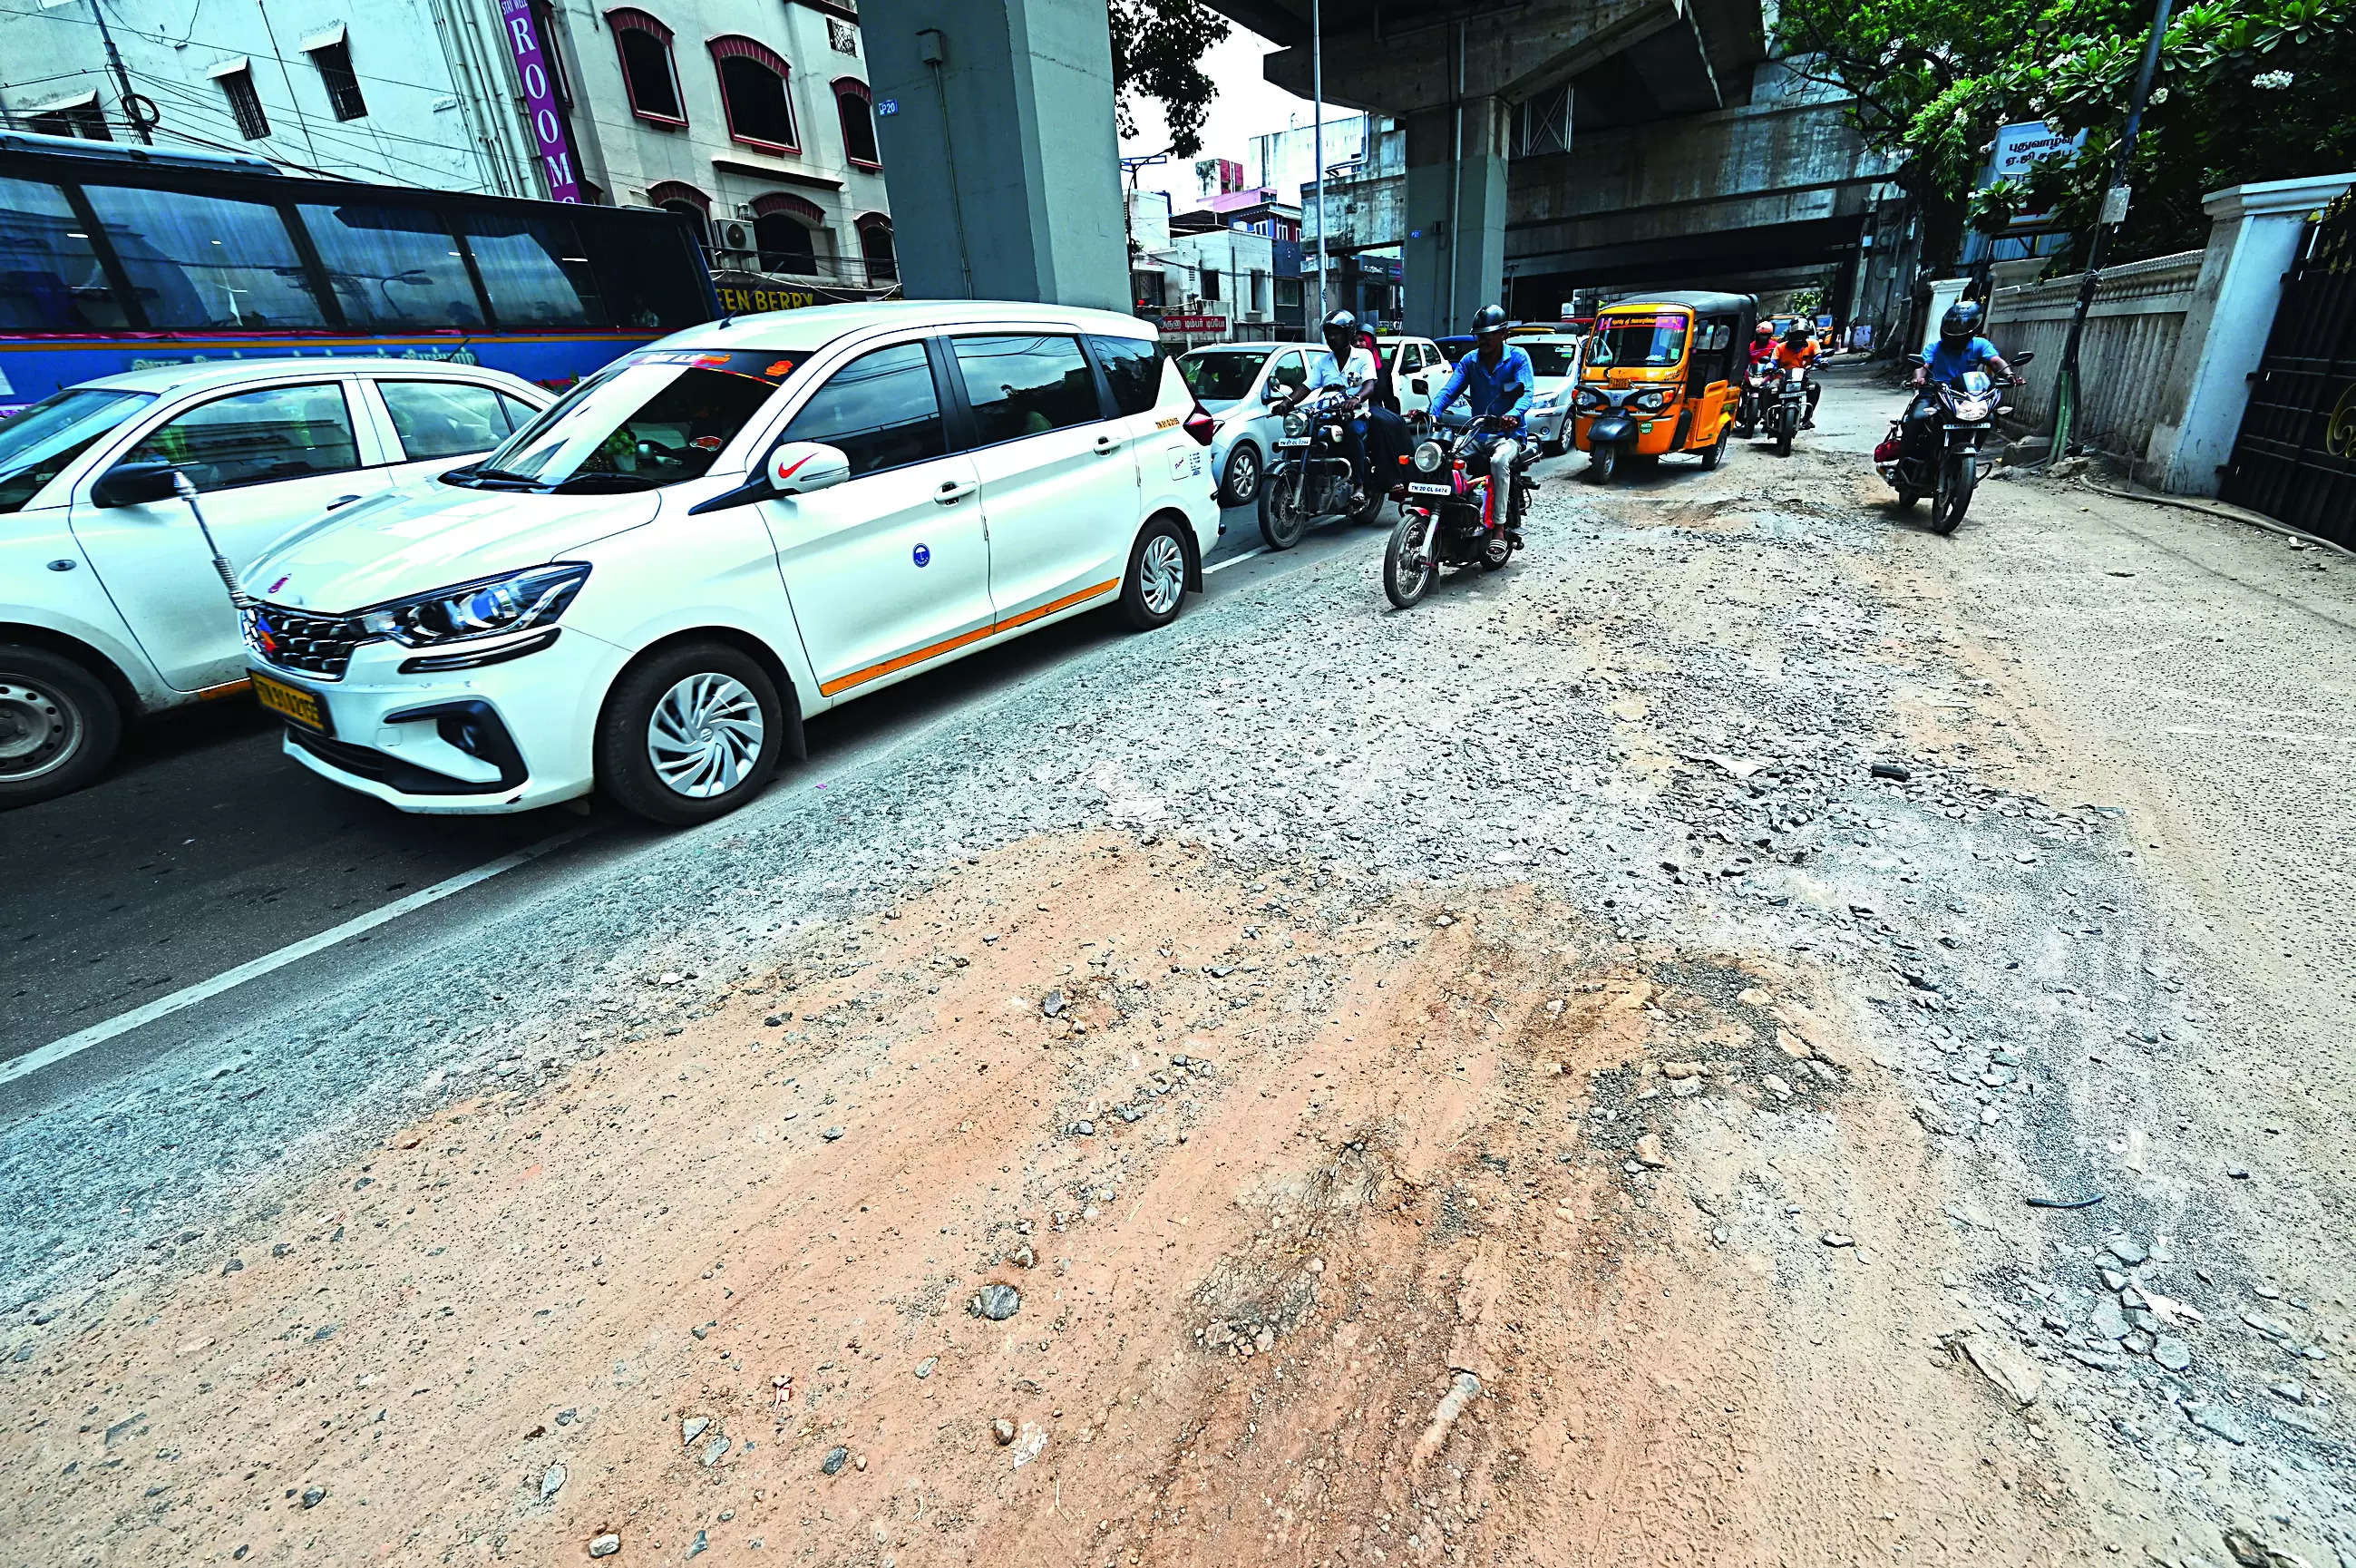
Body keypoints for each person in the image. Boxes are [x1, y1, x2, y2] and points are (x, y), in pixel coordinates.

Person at [1429, 303, 1535, 541]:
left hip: (1508, 436)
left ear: (1503, 334)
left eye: (1489, 335)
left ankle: (1498, 526)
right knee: (1442, 456)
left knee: (1498, 462)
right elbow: (1449, 391)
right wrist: (1431, 412)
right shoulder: (1470, 361)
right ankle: (1451, 514)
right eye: (1480, 336)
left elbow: (1526, 392)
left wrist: (1513, 414)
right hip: (1477, 434)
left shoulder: (1518, 358)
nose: (1483, 340)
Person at [1903, 300, 2014, 454]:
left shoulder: (1980, 345)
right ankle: (1905, 461)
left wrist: (2009, 375)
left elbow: (1995, 362)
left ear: (1973, 326)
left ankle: (1973, 451)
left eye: (1961, 326)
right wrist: (1918, 379)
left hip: (1967, 396)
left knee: (1988, 419)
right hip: (1935, 392)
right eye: (1953, 325)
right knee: (1916, 418)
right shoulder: (1934, 347)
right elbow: (1922, 366)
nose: (1956, 329)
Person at [1315, 307, 1380, 502]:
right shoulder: (1322, 361)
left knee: (1353, 432)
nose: (1331, 338)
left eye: (1336, 333)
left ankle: (1359, 485)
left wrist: (1357, 399)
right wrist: (1288, 401)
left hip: (1356, 414)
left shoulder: (1363, 356)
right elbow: (1305, 386)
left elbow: (1369, 385)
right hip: (1328, 414)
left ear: (1348, 334)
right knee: (1307, 434)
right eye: (1328, 334)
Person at [1358, 328, 1414, 484]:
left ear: (1371, 342)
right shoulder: (1351, 363)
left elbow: (1388, 395)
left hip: (1373, 406)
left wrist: (1394, 416)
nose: (1358, 344)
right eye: (1355, 340)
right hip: (1354, 406)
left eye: (1362, 340)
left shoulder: (1382, 366)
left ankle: (1399, 476)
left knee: (1393, 424)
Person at [1774, 321, 1823, 428]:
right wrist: (1769, 366)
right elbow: (1773, 361)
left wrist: (1822, 361)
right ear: (1790, 335)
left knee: (1815, 387)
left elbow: (1818, 356)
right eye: (1796, 334)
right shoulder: (1780, 347)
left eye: (1802, 335)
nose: (1799, 338)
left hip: (1803, 379)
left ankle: (1807, 418)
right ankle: (1767, 416)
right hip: (1782, 378)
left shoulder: (1813, 344)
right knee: (1770, 389)